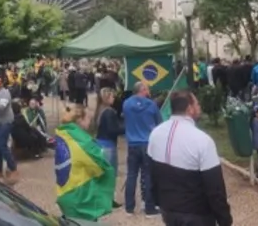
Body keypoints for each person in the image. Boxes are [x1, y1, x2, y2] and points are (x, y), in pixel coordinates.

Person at [148, 91, 233, 226]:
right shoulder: (202, 140)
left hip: (168, 210)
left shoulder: (155, 134)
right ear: (190, 108)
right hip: (196, 215)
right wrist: (225, 220)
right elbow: (215, 189)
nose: (199, 108)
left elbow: (151, 173)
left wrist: (157, 201)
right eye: (197, 104)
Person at [54, 105, 116, 221]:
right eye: (88, 118)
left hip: (65, 191)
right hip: (79, 196)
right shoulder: (82, 141)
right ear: (80, 120)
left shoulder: (64, 133)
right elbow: (101, 166)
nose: (90, 122)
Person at [122, 82, 162, 217]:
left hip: (132, 143)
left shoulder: (126, 104)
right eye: (147, 89)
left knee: (131, 175)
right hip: (148, 143)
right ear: (143, 90)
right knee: (148, 175)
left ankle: (129, 207)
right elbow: (159, 123)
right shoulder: (152, 105)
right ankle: (149, 207)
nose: (149, 91)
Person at [93, 88, 124, 180]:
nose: (114, 98)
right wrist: (124, 128)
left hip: (99, 143)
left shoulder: (99, 111)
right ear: (107, 98)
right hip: (109, 146)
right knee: (110, 175)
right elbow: (112, 130)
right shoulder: (109, 112)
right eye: (112, 96)